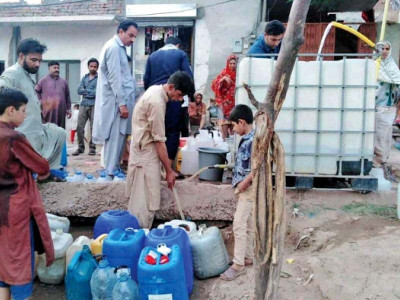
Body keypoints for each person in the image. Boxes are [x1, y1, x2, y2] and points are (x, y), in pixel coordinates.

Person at [0, 86, 55, 300]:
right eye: (23, 111)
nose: (25, 116)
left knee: (3, 261)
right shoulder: (13, 137)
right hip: (16, 207)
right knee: (20, 262)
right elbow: (42, 166)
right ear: (11, 110)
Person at [126, 71, 195, 229]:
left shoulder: (155, 91)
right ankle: (140, 235)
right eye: (178, 95)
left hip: (143, 149)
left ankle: (140, 234)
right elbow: (159, 141)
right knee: (144, 200)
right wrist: (169, 171)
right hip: (145, 153)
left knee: (144, 196)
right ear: (171, 87)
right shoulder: (157, 102)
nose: (178, 100)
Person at [0, 39, 66, 170]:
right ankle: (38, 171)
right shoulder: (13, 73)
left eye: (39, 61)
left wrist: (42, 106)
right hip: (24, 132)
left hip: (37, 129)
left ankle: (49, 171)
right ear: (21, 56)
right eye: (33, 60)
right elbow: (2, 91)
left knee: (59, 133)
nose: (37, 64)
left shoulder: (27, 76)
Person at [92, 20, 139, 177]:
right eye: (130, 35)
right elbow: (114, 78)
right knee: (115, 136)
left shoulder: (120, 49)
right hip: (115, 102)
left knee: (121, 136)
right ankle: (110, 171)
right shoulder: (113, 48)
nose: (132, 40)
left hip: (120, 101)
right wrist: (122, 103)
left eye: (134, 37)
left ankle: (114, 169)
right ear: (121, 32)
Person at [144, 36, 193, 165]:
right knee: (172, 131)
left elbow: (146, 79)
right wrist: (190, 98)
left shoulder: (152, 56)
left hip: (155, 95)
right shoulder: (180, 54)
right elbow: (188, 77)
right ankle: (169, 166)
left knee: (155, 132)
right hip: (173, 97)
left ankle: (155, 164)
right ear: (178, 45)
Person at [220, 104, 254, 281]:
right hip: (245, 188)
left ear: (241, 122)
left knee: (239, 224)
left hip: (248, 189)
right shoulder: (248, 139)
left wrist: (243, 184)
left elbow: (257, 168)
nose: (233, 129)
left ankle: (238, 264)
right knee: (248, 223)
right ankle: (247, 256)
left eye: (233, 125)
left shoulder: (253, 141)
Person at [374, 41, 400, 182]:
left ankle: (382, 164)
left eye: (387, 48)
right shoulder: (373, 66)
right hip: (371, 108)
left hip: (387, 109)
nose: (384, 51)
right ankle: (374, 165)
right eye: (381, 48)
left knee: (383, 137)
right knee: (370, 138)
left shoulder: (392, 68)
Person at [72, 58, 99, 156]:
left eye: (95, 67)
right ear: (88, 67)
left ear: (97, 67)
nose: (93, 68)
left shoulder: (99, 79)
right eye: (91, 66)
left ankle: (92, 148)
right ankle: (80, 148)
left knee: (93, 128)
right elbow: (79, 90)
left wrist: (86, 91)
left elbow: (98, 92)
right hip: (83, 104)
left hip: (94, 104)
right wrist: (90, 92)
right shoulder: (84, 78)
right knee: (79, 127)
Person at [35, 61, 72, 129]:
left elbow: (67, 96)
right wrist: (40, 101)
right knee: (48, 130)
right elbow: (36, 91)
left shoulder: (64, 82)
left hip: (61, 111)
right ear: (49, 68)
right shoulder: (43, 81)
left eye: (58, 68)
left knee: (60, 130)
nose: (57, 69)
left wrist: (68, 109)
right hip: (48, 111)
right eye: (54, 68)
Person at [211, 54, 238, 139]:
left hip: (235, 104)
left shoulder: (240, 73)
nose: (232, 65)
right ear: (227, 64)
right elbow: (213, 84)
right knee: (224, 130)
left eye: (234, 63)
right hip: (224, 105)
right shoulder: (224, 73)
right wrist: (223, 79)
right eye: (230, 63)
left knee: (235, 128)